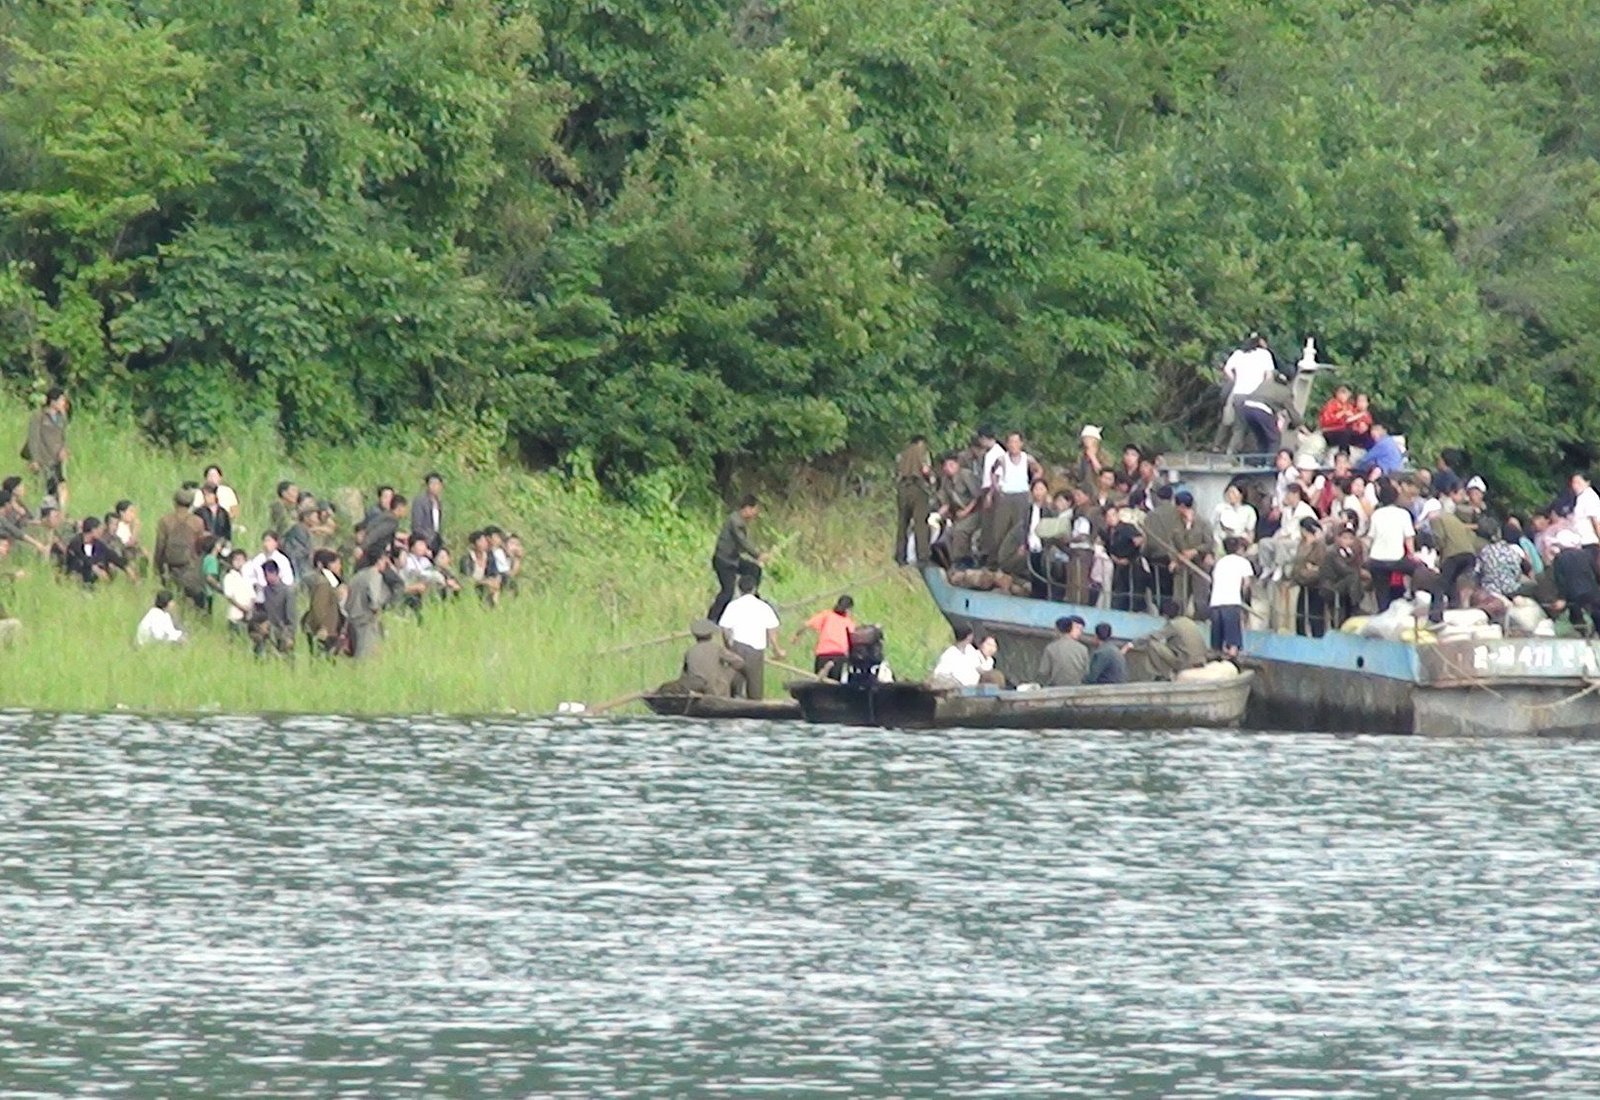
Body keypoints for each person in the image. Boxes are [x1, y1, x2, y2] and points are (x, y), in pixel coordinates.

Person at [717, 574, 785, 700]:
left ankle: (734, 709)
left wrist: (729, 647)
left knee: (735, 688)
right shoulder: (764, 607)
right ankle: (754, 710)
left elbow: (725, 629)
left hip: (737, 649)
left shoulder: (732, 606)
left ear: (739, 589)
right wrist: (777, 650)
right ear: (754, 589)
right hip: (756, 652)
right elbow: (772, 632)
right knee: (755, 690)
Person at [986, 432, 1043, 569]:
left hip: (1022, 495)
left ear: (1021, 444)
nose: (1013, 445)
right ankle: (994, 562)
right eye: (1010, 442)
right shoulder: (1002, 459)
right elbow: (993, 472)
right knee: (999, 529)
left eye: (1016, 442)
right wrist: (995, 488)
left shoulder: (1027, 458)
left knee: (1019, 528)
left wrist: (1033, 483)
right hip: (1006, 495)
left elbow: (1038, 470)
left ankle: (1016, 563)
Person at [709, 495, 767, 620]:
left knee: (754, 569)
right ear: (746, 508)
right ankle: (712, 618)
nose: (755, 514)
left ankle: (751, 598)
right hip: (724, 561)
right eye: (754, 510)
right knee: (727, 592)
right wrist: (758, 555)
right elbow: (742, 542)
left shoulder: (739, 520)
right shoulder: (735, 521)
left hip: (733, 559)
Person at [1217, 333, 1277, 453]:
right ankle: (1253, 454)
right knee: (1257, 426)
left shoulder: (1238, 353)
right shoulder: (1265, 354)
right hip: (1257, 395)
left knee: (1239, 427)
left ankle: (1231, 452)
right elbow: (1269, 376)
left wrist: (1235, 380)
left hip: (1238, 393)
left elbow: (1227, 369)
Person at [1128, 599, 1208, 681]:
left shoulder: (1173, 624)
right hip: (1201, 660)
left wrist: (1132, 644)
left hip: (1186, 663)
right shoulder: (1189, 621)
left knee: (1152, 644)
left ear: (1165, 615)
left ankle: (1164, 674)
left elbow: (1154, 636)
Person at [153, 489, 207, 607]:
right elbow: (200, 546)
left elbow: (160, 546)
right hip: (190, 565)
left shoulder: (165, 521)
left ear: (175, 502)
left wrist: (157, 567)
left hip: (171, 565)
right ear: (191, 504)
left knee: (173, 595)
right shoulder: (197, 522)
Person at [22, 387, 69, 508]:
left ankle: (59, 510)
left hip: (56, 458)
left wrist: (64, 449)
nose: (63, 403)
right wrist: (34, 459)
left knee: (59, 485)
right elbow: (33, 439)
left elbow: (63, 436)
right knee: (42, 487)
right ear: (53, 402)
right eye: (61, 400)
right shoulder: (39, 417)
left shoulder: (62, 417)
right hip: (43, 457)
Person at [935, 451, 982, 566]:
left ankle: (961, 560)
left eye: (951, 465)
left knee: (960, 531)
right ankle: (955, 560)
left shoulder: (966, 475)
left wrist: (966, 511)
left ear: (957, 464)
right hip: (959, 513)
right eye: (945, 466)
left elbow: (978, 497)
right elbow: (945, 501)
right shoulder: (946, 480)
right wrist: (938, 514)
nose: (948, 468)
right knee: (948, 534)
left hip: (975, 511)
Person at [344, 546, 391, 659]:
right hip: (366, 620)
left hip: (352, 619)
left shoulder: (358, 575)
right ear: (379, 560)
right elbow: (374, 599)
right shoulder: (375, 575)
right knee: (365, 657)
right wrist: (377, 610)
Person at [793, 595, 855, 681]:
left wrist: (796, 637)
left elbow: (806, 625)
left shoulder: (826, 615)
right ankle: (829, 667)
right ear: (848, 609)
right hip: (839, 655)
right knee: (834, 685)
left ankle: (825, 671)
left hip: (823, 654)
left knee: (819, 683)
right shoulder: (848, 622)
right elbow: (852, 639)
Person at [1209, 537, 1254, 658]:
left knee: (1217, 636)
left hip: (1215, 601)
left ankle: (1217, 656)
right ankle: (1232, 656)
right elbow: (1247, 583)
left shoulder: (1220, 562)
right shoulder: (1243, 562)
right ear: (1239, 548)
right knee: (1232, 636)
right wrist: (1244, 598)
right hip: (1231, 600)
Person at [893, 436, 934, 565]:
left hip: (903, 489)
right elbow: (926, 471)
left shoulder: (901, 455)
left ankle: (900, 556)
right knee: (920, 524)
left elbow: (896, 473)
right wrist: (932, 480)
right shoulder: (922, 454)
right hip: (918, 489)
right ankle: (923, 557)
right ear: (920, 443)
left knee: (902, 523)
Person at [681, 617, 744, 696]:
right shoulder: (716, 648)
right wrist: (726, 674)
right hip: (715, 689)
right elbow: (739, 661)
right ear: (711, 635)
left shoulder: (690, 651)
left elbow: (684, 674)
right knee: (734, 676)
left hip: (696, 689)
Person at [301, 549, 345, 655]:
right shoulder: (324, 583)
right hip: (324, 630)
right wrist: (322, 627)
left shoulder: (331, 582)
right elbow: (319, 607)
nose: (339, 567)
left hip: (330, 628)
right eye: (336, 563)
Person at [255, 560, 296, 657]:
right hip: (267, 632)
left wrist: (289, 635)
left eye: (267, 574)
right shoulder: (264, 591)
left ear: (274, 573)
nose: (265, 577)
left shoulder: (287, 592)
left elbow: (291, 617)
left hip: (283, 632)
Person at [1037, 615, 1089, 687]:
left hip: (1056, 689)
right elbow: (1086, 672)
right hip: (1077, 689)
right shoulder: (1083, 649)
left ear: (1057, 630)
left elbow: (1043, 672)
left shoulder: (1051, 648)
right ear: (1071, 628)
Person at [63, 517, 115, 585]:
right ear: (93, 530)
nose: (101, 531)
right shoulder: (76, 542)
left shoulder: (96, 543)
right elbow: (83, 557)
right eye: (99, 529)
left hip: (89, 571)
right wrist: (96, 569)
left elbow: (108, 553)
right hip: (76, 571)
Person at [218, 548, 255, 639]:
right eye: (236, 559)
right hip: (235, 615)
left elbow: (252, 595)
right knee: (235, 640)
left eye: (241, 560)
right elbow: (229, 597)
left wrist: (249, 608)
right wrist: (242, 608)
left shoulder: (247, 577)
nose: (239, 562)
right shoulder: (229, 577)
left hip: (248, 615)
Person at [411, 473, 445, 551]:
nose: (434, 486)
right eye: (432, 483)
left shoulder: (439, 503)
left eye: (437, 484)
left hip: (436, 540)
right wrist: (428, 538)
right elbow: (416, 526)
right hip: (424, 541)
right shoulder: (420, 501)